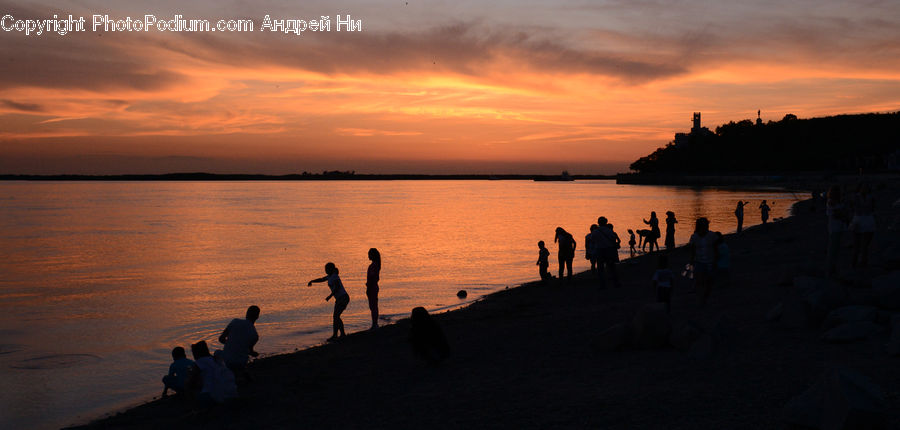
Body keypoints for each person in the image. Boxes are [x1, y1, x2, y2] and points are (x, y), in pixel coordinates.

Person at [308, 262, 350, 341]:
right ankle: (340, 334)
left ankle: (337, 335)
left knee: (336, 316)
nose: (325, 270)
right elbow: (321, 279)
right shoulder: (329, 276)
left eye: (326, 269)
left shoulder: (335, 276)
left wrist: (330, 296)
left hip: (343, 298)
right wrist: (312, 281)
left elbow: (337, 287)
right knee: (336, 316)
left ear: (330, 269)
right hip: (339, 299)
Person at [187, 340, 237, 406]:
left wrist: (189, 374)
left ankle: (193, 407)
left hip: (215, 396)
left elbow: (192, 382)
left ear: (196, 353)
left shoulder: (199, 363)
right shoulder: (216, 359)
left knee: (189, 386)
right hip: (231, 392)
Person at [218, 305, 260, 378]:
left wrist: (231, 343)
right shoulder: (255, 335)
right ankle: (241, 372)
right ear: (257, 317)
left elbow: (221, 339)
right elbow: (249, 351)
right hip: (241, 362)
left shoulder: (235, 322)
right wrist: (254, 353)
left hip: (227, 360)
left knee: (217, 353)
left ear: (246, 313)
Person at [689, 217, 718, 307]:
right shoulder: (694, 237)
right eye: (704, 225)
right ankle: (702, 299)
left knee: (709, 283)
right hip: (699, 262)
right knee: (700, 282)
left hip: (710, 262)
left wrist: (716, 261)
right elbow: (693, 251)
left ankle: (704, 298)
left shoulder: (712, 236)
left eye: (706, 225)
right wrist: (692, 262)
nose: (706, 227)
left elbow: (716, 249)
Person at [849, 183, 876, 268]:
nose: (864, 189)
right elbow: (853, 207)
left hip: (868, 220)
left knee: (865, 245)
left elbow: (873, 208)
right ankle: (854, 263)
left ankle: (863, 263)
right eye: (863, 188)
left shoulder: (871, 197)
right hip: (859, 220)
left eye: (866, 188)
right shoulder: (855, 197)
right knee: (857, 245)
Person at [826, 185, 849, 277]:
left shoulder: (838, 202)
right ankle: (830, 269)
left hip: (839, 226)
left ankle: (833, 268)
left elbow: (841, 213)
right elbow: (836, 214)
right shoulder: (831, 202)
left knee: (836, 248)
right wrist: (844, 216)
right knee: (833, 249)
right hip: (834, 227)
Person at [593, 217, 621, 289]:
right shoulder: (609, 231)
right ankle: (616, 283)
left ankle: (602, 285)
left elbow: (593, 241)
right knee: (611, 267)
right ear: (605, 222)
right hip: (609, 250)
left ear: (598, 222)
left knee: (600, 269)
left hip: (599, 250)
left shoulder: (595, 231)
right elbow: (613, 239)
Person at [366, 248, 381, 330]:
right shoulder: (375, 265)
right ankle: (374, 323)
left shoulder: (373, 266)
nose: (368, 255)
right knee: (373, 306)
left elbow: (373, 277)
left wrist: (368, 287)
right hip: (373, 286)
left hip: (372, 287)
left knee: (373, 306)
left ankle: (375, 324)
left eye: (369, 254)